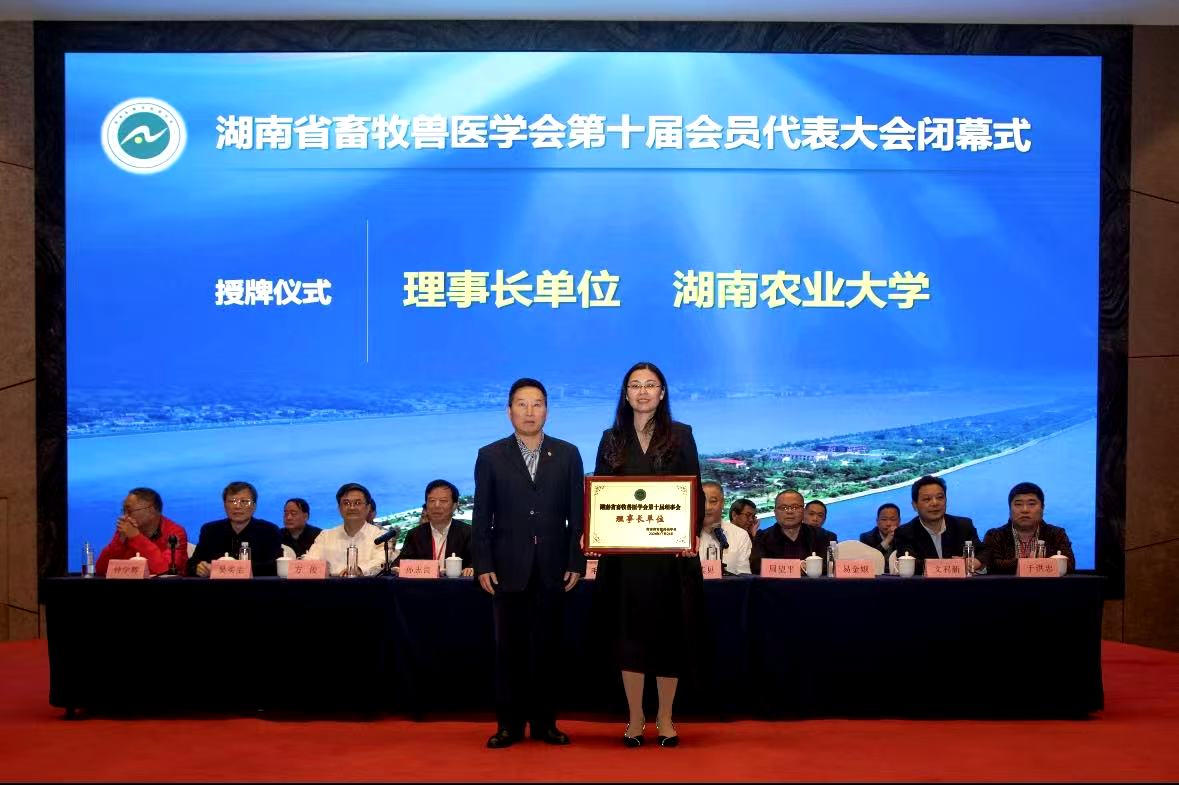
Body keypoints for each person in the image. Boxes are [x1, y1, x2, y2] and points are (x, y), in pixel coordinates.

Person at [592, 361, 706, 748]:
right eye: (635, 385)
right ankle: (636, 716)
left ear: (662, 392)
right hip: (624, 560)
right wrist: (596, 530)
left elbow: (694, 490)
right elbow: (600, 493)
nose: (643, 391)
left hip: (670, 557)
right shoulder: (611, 438)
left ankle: (666, 716)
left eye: (650, 384)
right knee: (630, 639)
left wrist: (687, 536)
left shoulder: (681, 434)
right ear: (626, 395)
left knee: (669, 637)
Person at [472, 378, 585, 749]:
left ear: (547, 410)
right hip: (507, 567)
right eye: (522, 404)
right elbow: (481, 515)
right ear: (509, 411)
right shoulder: (490, 455)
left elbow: (577, 515)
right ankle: (509, 725)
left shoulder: (567, 454)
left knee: (548, 650)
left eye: (537, 404)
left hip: (554, 565)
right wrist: (483, 562)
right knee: (509, 650)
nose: (530, 411)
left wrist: (575, 560)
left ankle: (545, 724)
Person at [893, 476, 987, 574]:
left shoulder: (963, 525)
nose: (935, 503)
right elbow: (912, 565)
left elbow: (984, 552)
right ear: (915, 505)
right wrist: (954, 565)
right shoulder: (905, 533)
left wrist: (973, 562)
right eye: (927, 499)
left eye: (940, 497)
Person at [187, 481, 282, 577]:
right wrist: (198, 568)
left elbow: (275, 566)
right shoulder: (210, 531)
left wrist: (231, 569)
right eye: (232, 501)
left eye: (244, 501)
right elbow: (192, 564)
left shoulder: (269, 531)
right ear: (225, 506)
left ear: (254, 506)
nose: (237, 506)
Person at [982, 481, 1076, 574]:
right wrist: (1033, 563)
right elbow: (992, 565)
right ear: (1010, 509)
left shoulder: (1056, 534)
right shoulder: (995, 535)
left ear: (1042, 508)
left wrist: (1020, 564)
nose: (1025, 510)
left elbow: (1069, 566)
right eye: (1018, 504)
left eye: (1031, 504)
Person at [95, 487, 188, 576]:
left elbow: (165, 570)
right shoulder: (126, 530)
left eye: (129, 511)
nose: (124, 517)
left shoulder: (175, 532)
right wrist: (119, 542)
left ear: (151, 511)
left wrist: (136, 537)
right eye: (123, 511)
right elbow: (101, 570)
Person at [304, 483, 388, 576]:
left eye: (357, 503)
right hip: (330, 584)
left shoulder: (380, 536)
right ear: (339, 508)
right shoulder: (325, 536)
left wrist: (358, 570)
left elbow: (381, 561)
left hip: (367, 584)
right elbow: (309, 563)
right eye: (346, 503)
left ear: (368, 508)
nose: (352, 507)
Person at [393, 479, 474, 575]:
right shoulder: (415, 534)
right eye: (432, 500)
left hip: (456, 584)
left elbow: (476, 562)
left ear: (454, 506)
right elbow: (400, 563)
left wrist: (471, 569)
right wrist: (397, 568)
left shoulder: (468, 533)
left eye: (443, 501)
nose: (437, 505)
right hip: (424, 584)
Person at [750, 489, 831, 575]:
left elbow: (829, 567)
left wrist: (783, 568)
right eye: (783, 508)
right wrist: (800, 567)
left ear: (803, 511)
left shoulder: (825, 537)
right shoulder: (762, 537)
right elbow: (757, 568)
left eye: (795, 507)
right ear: (775, 512)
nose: (789, 511)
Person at [698, 481, 751, 575]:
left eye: (713, 501)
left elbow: (744, 576)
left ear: (723, 503)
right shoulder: (684, 536)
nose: (707, 507)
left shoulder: (740, 535)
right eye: (702, 501)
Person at [859, 502, 901, 573]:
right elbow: (868, 562)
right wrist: (887, 541)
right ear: (877, 521)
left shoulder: (905, 536)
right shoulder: (866, 538)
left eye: (893, 519)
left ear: (899, 521)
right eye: (884, 519)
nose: (888, 523)